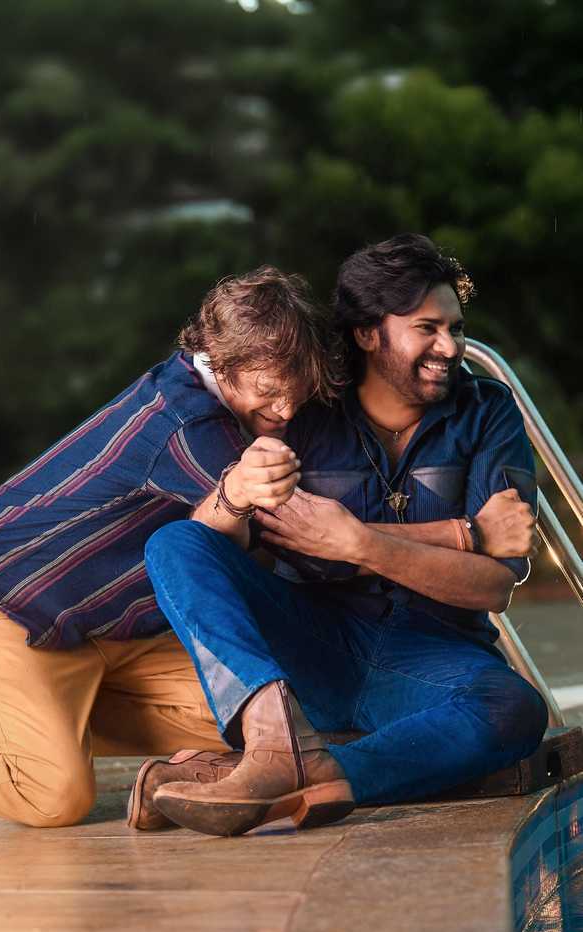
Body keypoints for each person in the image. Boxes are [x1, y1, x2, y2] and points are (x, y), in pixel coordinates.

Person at [0, 266, 336, 828]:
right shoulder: (190, 423)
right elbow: (284, 530)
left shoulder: (207, 399)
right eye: (270, 392)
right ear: (222, 362)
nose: (286, 411)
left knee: (262, 714)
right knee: (54, 796)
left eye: (297, 393)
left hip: (101, 631)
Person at [143, 234, 546, 837]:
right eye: (427, 328)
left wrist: (357, 542)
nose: (450, 347)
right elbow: (256, 546)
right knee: (175, 543)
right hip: (314, 644)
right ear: (367, 333)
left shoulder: (489, 412)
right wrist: (465, 534)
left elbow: (492, 587)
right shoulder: (304, 410)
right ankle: (273, 740)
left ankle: (303, 773)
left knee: (515, 709)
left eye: (455, 329)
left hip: (433, 656)